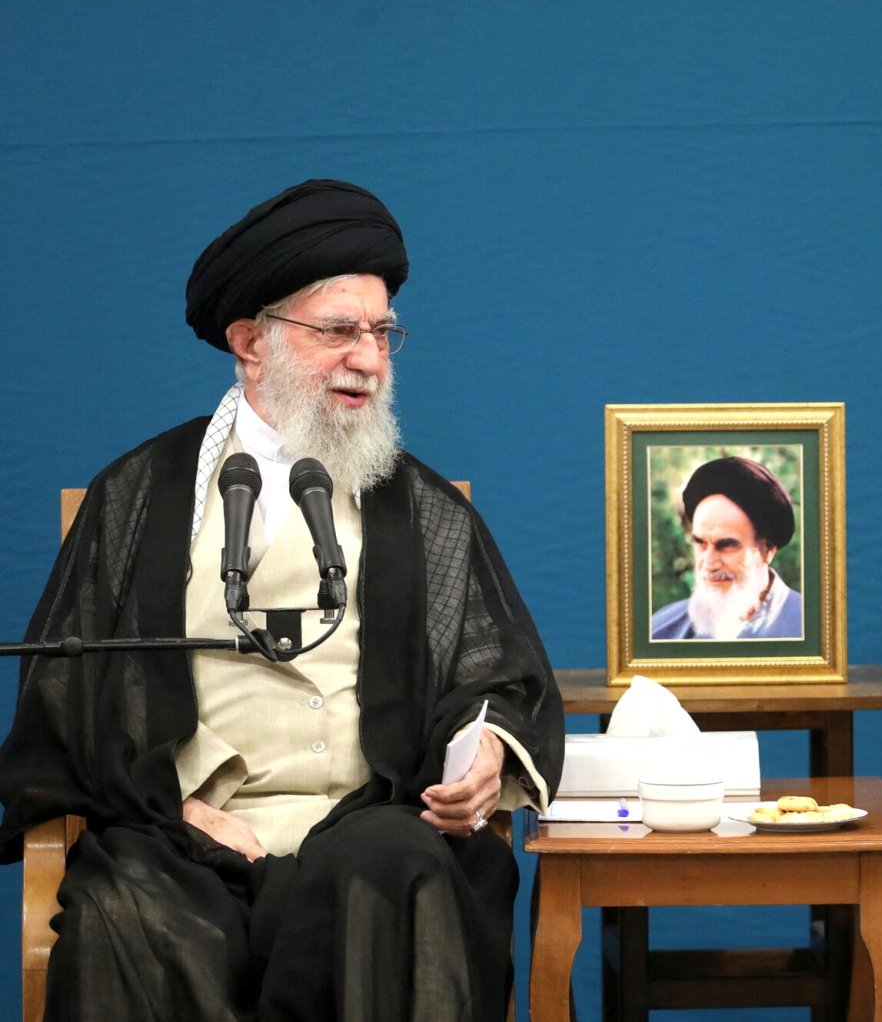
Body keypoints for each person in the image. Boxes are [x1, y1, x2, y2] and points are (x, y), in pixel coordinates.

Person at [0, 179, 565, 1021]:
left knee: (400, 877)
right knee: (127, 916)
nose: (369, 360)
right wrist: (181, 801)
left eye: (381, 334)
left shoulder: (423, 507)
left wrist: (484, 753)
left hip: (369, 821)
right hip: (183, 827)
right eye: (338, 331)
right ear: (250, 343)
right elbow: (69, 701)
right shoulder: (141, 496)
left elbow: (495, 672)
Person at [650, 455, 803, 640]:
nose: (708, 564)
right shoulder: (661, 630)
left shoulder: (812, 629)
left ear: (767, 550)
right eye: (700, 543)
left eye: (726, 545)